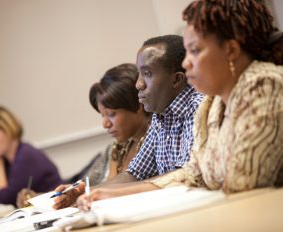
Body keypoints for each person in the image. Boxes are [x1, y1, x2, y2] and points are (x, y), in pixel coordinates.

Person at [75, 0, 283, 210]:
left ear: (230, 50)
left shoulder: (263, 85)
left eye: (195, 51)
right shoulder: (212, 103)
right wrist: (103, 194)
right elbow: (191, 173)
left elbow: (241, 184)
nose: (186, 63)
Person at [53, 35, 203, 209]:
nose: (139, 84)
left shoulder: (199, 108)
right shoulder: (160, 117)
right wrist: (85, 192)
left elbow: (184, 177)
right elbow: (134, 174)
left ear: (176, 79)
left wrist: (109, 193)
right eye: (139, 73)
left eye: (147, 74)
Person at [17, 63, 152, 208]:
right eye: (102, 115)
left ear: (137, 105)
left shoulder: (155, 142)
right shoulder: (113, 151)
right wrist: (40, 197)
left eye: (112, 114)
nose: (105, 124)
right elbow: (81, 187)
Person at [0, 106, 62, 207]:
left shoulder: (26, 156)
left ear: (8, 129)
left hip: (57, 209)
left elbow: (4, 201)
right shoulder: (6, 160)